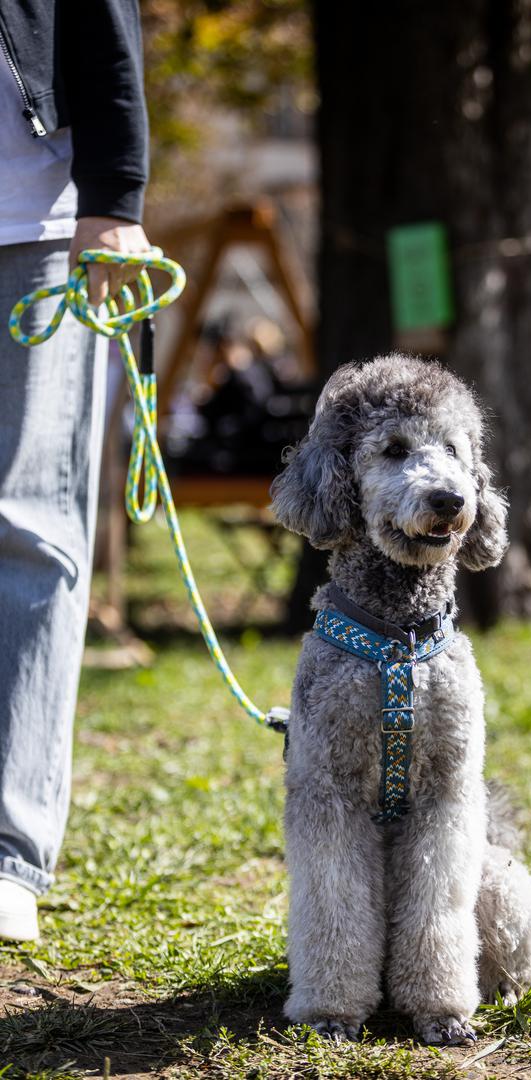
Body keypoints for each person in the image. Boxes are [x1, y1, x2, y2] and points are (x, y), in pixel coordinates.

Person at [0, 0, 150, 939]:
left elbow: (104, 19)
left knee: (27, 524)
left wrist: (114, 200)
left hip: (36, 220)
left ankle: (7, 851)